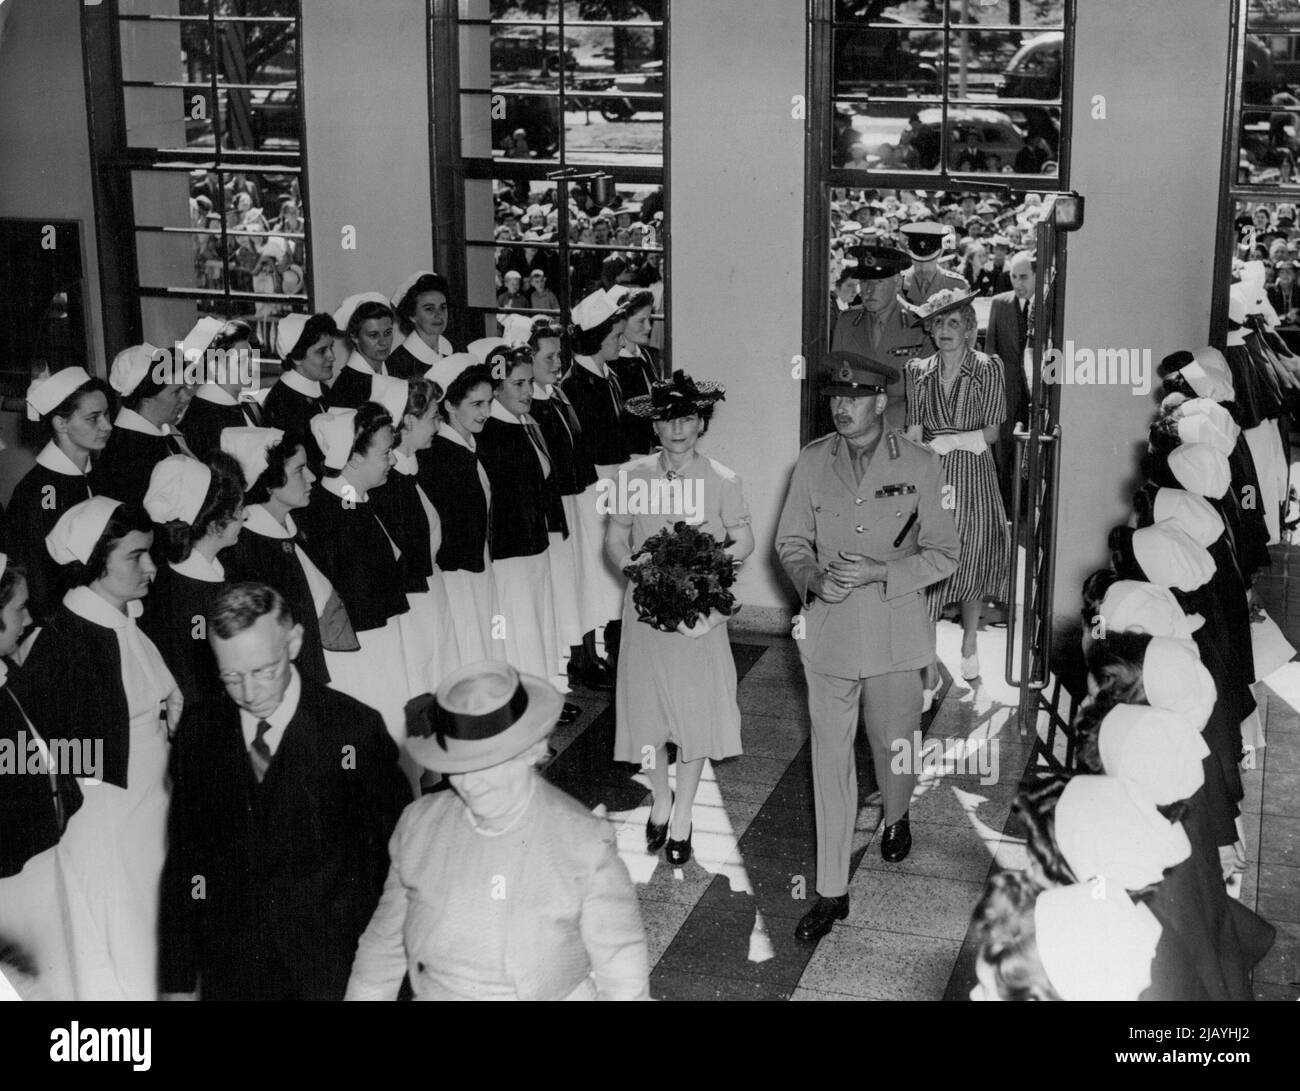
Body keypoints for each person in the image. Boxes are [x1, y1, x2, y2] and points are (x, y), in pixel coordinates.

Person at [776, 353, 959, 941]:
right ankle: (831, 891)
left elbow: (945, 554)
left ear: (882, 401)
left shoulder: (925, 466)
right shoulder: (811, 462)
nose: (841, 407)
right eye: (835, 396)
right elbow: (790, 541)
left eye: (854, 397)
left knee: (893, 744)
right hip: (828, 633)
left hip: (894, 633)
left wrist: (882, 570)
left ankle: (898, 815)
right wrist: (810, 578)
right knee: (829, 761)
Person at [160, 582, 410, 1001]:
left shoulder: (350, 730)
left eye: (263, 671)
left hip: (334, 969)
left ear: (294, 641)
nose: (250, 692)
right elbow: (187, 861)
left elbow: (397, 862)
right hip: (237, 970)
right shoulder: (200, 731)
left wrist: (384, 983)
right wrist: (178, 980)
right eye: (231, 676)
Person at [345, 661, 649, 1001]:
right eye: (458, 767)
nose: (470, 784)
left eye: (487, 763)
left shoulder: (583, 842)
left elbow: (623, 970)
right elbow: (382, 948)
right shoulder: (419, 824)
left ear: (533, 750)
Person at [15, 497, 182, 999]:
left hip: (150, 804)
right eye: (135, 556)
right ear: (95, 560)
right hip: (106, 818)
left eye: (149, 553)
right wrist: (94, 774)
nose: (151, 567)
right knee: (123, 935)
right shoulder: (64, 640)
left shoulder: (123, 615)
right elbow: (33, 750)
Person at [607, 372, 753, 866]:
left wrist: (712, 572)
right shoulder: (632, 478)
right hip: (646, 614)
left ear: (701, 423)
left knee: (693, 715)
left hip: (698, 615)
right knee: (647, 716)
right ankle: (660, 798)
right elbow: (617, 538)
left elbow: (744, 539)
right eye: (669, 418)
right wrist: (637, 572)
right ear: (655, 426)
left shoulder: (723, 479)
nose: (678, 428)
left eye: (688, 417)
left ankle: (685, 811)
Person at [294, 406, 415, 765]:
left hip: (378, 642)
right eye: (383, 453)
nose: (392, 459)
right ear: (352, 459)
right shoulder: (332, 514)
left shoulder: (356, 500)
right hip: (359, 653)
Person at [905, 288, 1010, 684]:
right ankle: (928, 666)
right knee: (928, 557)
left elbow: (993, 433)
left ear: (969, 330)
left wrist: (951, 441)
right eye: (938, 324)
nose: (944, 331)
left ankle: (969, 641)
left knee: (970, 555)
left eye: (954, 323)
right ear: (930, 331)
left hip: (972, 472)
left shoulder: (987, 368)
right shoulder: (917, 370)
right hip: (933, 473)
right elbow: (914, 431)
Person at [0, 556, 83, 1000]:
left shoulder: (10, 678)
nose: (29, 618)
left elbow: (33, 757)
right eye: (19, 608)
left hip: (39, 857)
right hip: (13, 876)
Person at [220, 426, 341, 687]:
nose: (311, 477)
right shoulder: (246, 548)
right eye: (299, 470)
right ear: (270, 481)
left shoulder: (300, 527)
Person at [475, 347, 565, 691]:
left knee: (538, 620)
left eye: (529, 382)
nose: (529, 391)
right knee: (518, 625)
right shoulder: (493, 433)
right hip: (510, 550)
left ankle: (541, 688)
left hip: (533, 542)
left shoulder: (524, 422)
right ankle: (521, 695)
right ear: (496, 389)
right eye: (518, 384)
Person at [368, 376, 461, 697]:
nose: (438, 425)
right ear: (408, 420)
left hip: (430, 594)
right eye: (434, 417)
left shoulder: (415, 469)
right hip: (412, 608)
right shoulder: (389, 484)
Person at [563, 289, 633, 684]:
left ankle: (612, 649)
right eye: (615, 338)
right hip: (591, 489)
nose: (621, 344)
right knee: (589, 573)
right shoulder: (575, 386)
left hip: (612, 482)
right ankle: (584, 658)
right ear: (594, 339)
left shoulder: (609, 376)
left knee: (610, 572)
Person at [4, 366, 108, 623]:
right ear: (61, 423)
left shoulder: (101, 476)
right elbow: (38, 579)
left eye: (107, 414)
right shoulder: (40, 490)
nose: (107, 425)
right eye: (93, 418)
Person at [420, 357, 502, 666]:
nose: (486, 412)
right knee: (467, 646)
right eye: (477, 404)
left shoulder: (468, 446)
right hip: (458, 576)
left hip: (477, 566)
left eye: (489, 402)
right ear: (451, 406)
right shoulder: (439, 456)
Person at [829, 243, 931, 433]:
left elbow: (926, 396)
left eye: (878, 283)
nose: (868, 290)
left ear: (898, 283)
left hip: (903, 432)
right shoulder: (846, 322)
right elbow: (839, 387)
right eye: (865, 282)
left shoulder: (921, 325)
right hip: (854, 432)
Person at [92, 343, 197, 505]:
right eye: (177, 391)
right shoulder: (129, 453)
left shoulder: (157, 434)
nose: (186, 397)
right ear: (146, 398)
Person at [984, 251, 1035, 513]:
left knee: (1030, 452)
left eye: (1024, 276)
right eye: (1014, 276)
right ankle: (1005, 505)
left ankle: (1027, 505)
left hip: (1035, 394)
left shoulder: (1049, 306)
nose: (1018, 283)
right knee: (1003, 451)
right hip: (1006, 393)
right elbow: (991, 352)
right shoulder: (1000, 303)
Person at [262, 312, 340, 472]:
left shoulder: (322, 390)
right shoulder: (283, 404)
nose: (332, 356)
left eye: (331, 347)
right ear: (296, 357)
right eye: (321, 351)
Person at [180, 317, 265, 458]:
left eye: (250, 357)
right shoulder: (202, 417)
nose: (251, 365)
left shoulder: (250, 404)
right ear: (215, 366)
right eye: (242, 360)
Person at [611, 289, 664, 456]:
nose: (649, 327)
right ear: (622, 323)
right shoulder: (614, 364)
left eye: (649, 319)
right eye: (641, 321)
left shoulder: (644, 355)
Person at [328, 292, 398, 407]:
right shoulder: (347, 387)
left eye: (388, 333)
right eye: (373, 335)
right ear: (354, 337)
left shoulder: (395, 370)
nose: (383, 342)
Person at [386, 271, 455, 380]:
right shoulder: (397, 364)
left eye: (443, 307)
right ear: (412, 315)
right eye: (429, 309)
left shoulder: (457, 349)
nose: (438, 315)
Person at [899, 222, 970, 307]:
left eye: (929, 261)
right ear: (909, 254)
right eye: (918, 262)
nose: (924, 268)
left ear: (940, 253)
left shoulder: (957, 285)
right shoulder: (896, 283)